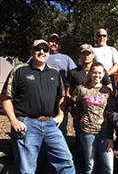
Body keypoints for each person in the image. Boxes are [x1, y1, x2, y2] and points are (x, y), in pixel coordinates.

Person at [0, 39, 75, 174]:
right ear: (32, 52)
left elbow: (62, 96)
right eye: (38, 49)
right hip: (27, 125)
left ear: (48, 53)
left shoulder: (54, 73)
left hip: (51, 125)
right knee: (27, 169)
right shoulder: (19, 71)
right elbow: (5, 97)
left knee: (66, 163)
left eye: (45, 50)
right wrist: (14, 120)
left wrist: (61, 114)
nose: (42, 52)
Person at [65, 43, 112, 173]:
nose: (97, 75)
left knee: (108, 166)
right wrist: (78, 116)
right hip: (87, 130)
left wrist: (110, 134)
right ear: (90, 74)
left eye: (99, 73)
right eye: (94, 73)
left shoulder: (107, 91)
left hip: (104, 131)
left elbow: (111, 111)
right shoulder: (80, 85)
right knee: (89, 164)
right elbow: (69, 102)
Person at [47, 33, 77, 138]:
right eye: (51, 41)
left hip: (61, 97)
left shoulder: (66, 59)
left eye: (56, 42)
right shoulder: (40, 56)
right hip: (43, 97)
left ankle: (61, 145)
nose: (53, 44)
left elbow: (74, 75)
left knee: (61, 123)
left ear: (59, 45)